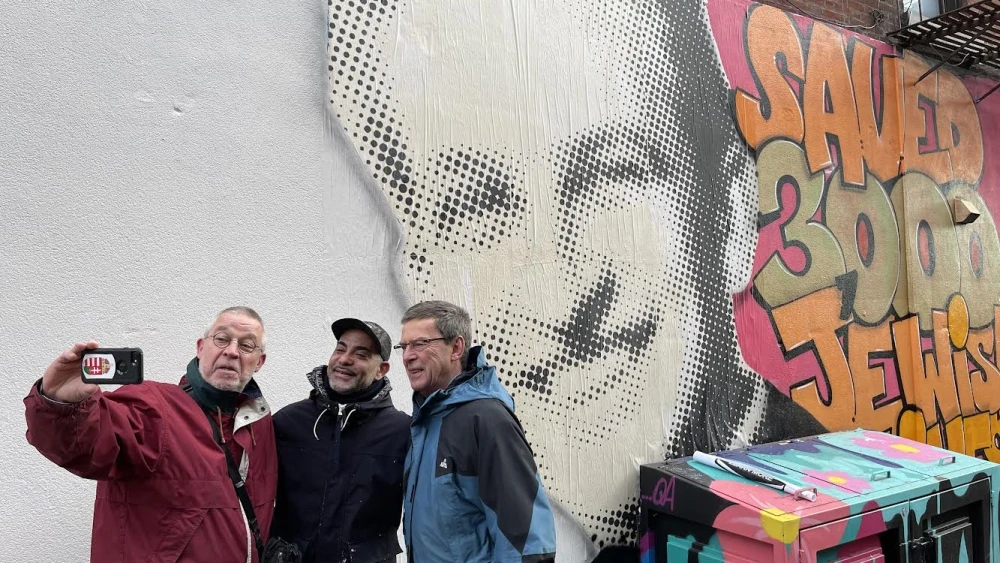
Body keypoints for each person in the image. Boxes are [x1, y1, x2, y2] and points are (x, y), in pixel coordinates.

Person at [24, 306, 277, 563]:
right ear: (201, 348)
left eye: (247, 346)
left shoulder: (260, 422)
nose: (232, 351)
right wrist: (61, 403)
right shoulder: (154, 408)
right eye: (221, 339)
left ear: (259, 362)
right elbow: (85, 444)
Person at [399, 300, 556, 563]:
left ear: (456, 348)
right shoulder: (426, 420)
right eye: (403, 346)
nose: (407, 356)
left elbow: (527, 540)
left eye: (420, 344)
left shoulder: (486, 419)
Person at [271, 318, 410, 563]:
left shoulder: (402, 433)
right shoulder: (288, 422)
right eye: (340, 348)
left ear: (382, 370)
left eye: (361, 354)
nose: (345, 359)